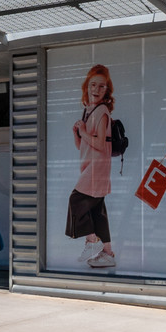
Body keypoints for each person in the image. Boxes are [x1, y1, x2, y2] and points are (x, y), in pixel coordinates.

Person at [66, 65, 116, 269]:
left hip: (98, 168)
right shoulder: (88, 111)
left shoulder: (102, 111)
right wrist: (77, 133)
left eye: (101, 86)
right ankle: (108, 252)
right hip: (90, 167)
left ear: (106, 90)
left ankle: (91, 240)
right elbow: (82, 146)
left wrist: (84, 131)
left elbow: (100, 143)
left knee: (76, 199)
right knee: (97, 211)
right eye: (93, 85)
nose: (96, 90)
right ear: (86, 87)